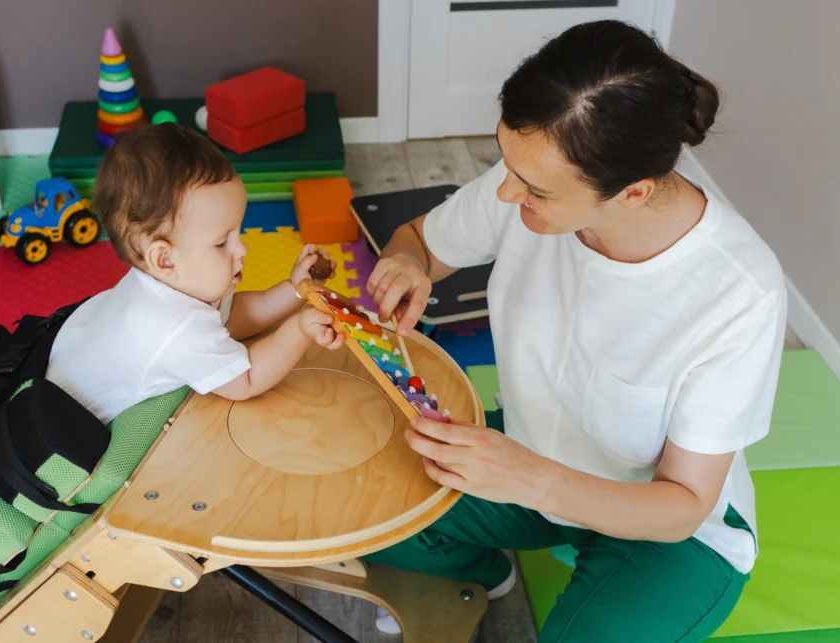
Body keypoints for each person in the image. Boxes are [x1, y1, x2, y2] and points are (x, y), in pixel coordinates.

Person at [364, 20, 786, 642]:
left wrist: (526, 479)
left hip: (667, 530)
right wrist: (408, 264)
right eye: (507, 163)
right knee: (366, 498)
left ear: (633, 193)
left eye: (533, 189)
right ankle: (482, 573)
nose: (506, 192)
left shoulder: (738, 295)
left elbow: (683, 505)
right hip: (534, 461)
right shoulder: (528, 186)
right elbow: (421, 241)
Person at [46, 124, 344, 424]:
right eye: (221, 242)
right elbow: (247, 380)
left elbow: (237, 317)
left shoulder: (168, 281)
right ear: (164, 259)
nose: (242, 249)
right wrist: (299, 330)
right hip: (66, 421)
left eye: (237, 232)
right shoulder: (178, 330)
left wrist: (298, 287)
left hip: (72, 347)